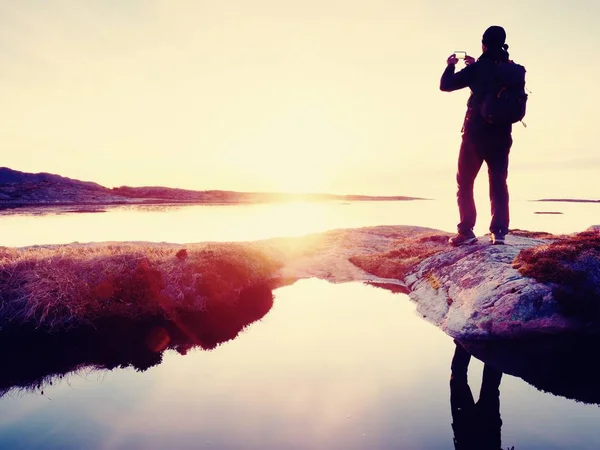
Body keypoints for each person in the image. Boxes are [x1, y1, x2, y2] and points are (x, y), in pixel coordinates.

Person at [440, 26, 515, 246]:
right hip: (502, 135)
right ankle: (499, 232)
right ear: (502, 44)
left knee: (464, 182)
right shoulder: (510, 69)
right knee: (499, 181)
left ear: (483, 44)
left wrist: (450, 66)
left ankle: (466, 231)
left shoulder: (478, 69)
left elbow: (445, 86)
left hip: (475, 135)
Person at [450, 341, 504, 450]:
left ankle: (465, 342)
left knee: (459, 379)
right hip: (482, 436)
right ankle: (495, 344)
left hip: (470, 434)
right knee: (489, 389)